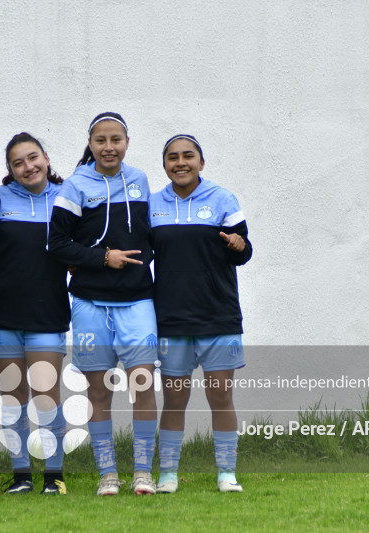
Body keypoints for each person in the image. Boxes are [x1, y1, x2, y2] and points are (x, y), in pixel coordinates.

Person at [48, 112, 158, 495]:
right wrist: (102, 258)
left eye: (116, 139)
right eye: (100, 140)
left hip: (137, 299)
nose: (108, 147)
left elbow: (149, 235)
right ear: (90, 143)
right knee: (98, 391)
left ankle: (143, 472)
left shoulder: (141, 180)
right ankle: (107, 474)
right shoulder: (77, 185)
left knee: (142, 384)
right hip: (90, 301)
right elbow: (57, 245)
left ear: (127, 141)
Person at [149, 134, 252, 493]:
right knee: (174, 399)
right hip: (171, 320)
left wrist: (239, 244)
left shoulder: (223, 199)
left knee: (220, 396)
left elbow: (243, 249)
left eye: (188, 156)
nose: (181, 162)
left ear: (201, 163)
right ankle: (168, 475)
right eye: (173, 157)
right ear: (164, 165)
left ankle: (226, 473)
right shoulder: (152, 206)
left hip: (217, 317)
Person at [0, 132, 70, 495]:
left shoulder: (68, 196)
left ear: (46, 157)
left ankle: (54, 477)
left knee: (46, 397)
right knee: (12, 400)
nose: (28, 167)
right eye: (18, 163)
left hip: (48, 315)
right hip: (2, 317)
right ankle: (21, 476)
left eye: (33, 157)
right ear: (9, 170)